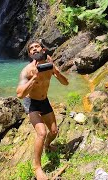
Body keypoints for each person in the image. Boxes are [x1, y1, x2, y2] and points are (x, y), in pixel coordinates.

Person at [16, 40, 69, 180]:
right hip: (31, 102)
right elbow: (20, 94)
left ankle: (47, 145)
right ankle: (37, 167)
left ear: (43, 49)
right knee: (41, 132)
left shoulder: (50, 65)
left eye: (36, 47)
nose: (34, 49)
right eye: (31, 48)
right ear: (29, 54)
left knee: (53, 131)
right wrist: (34, 78)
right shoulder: (27, 70)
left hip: (44, 100)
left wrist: (56, 72)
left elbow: (66, 83)